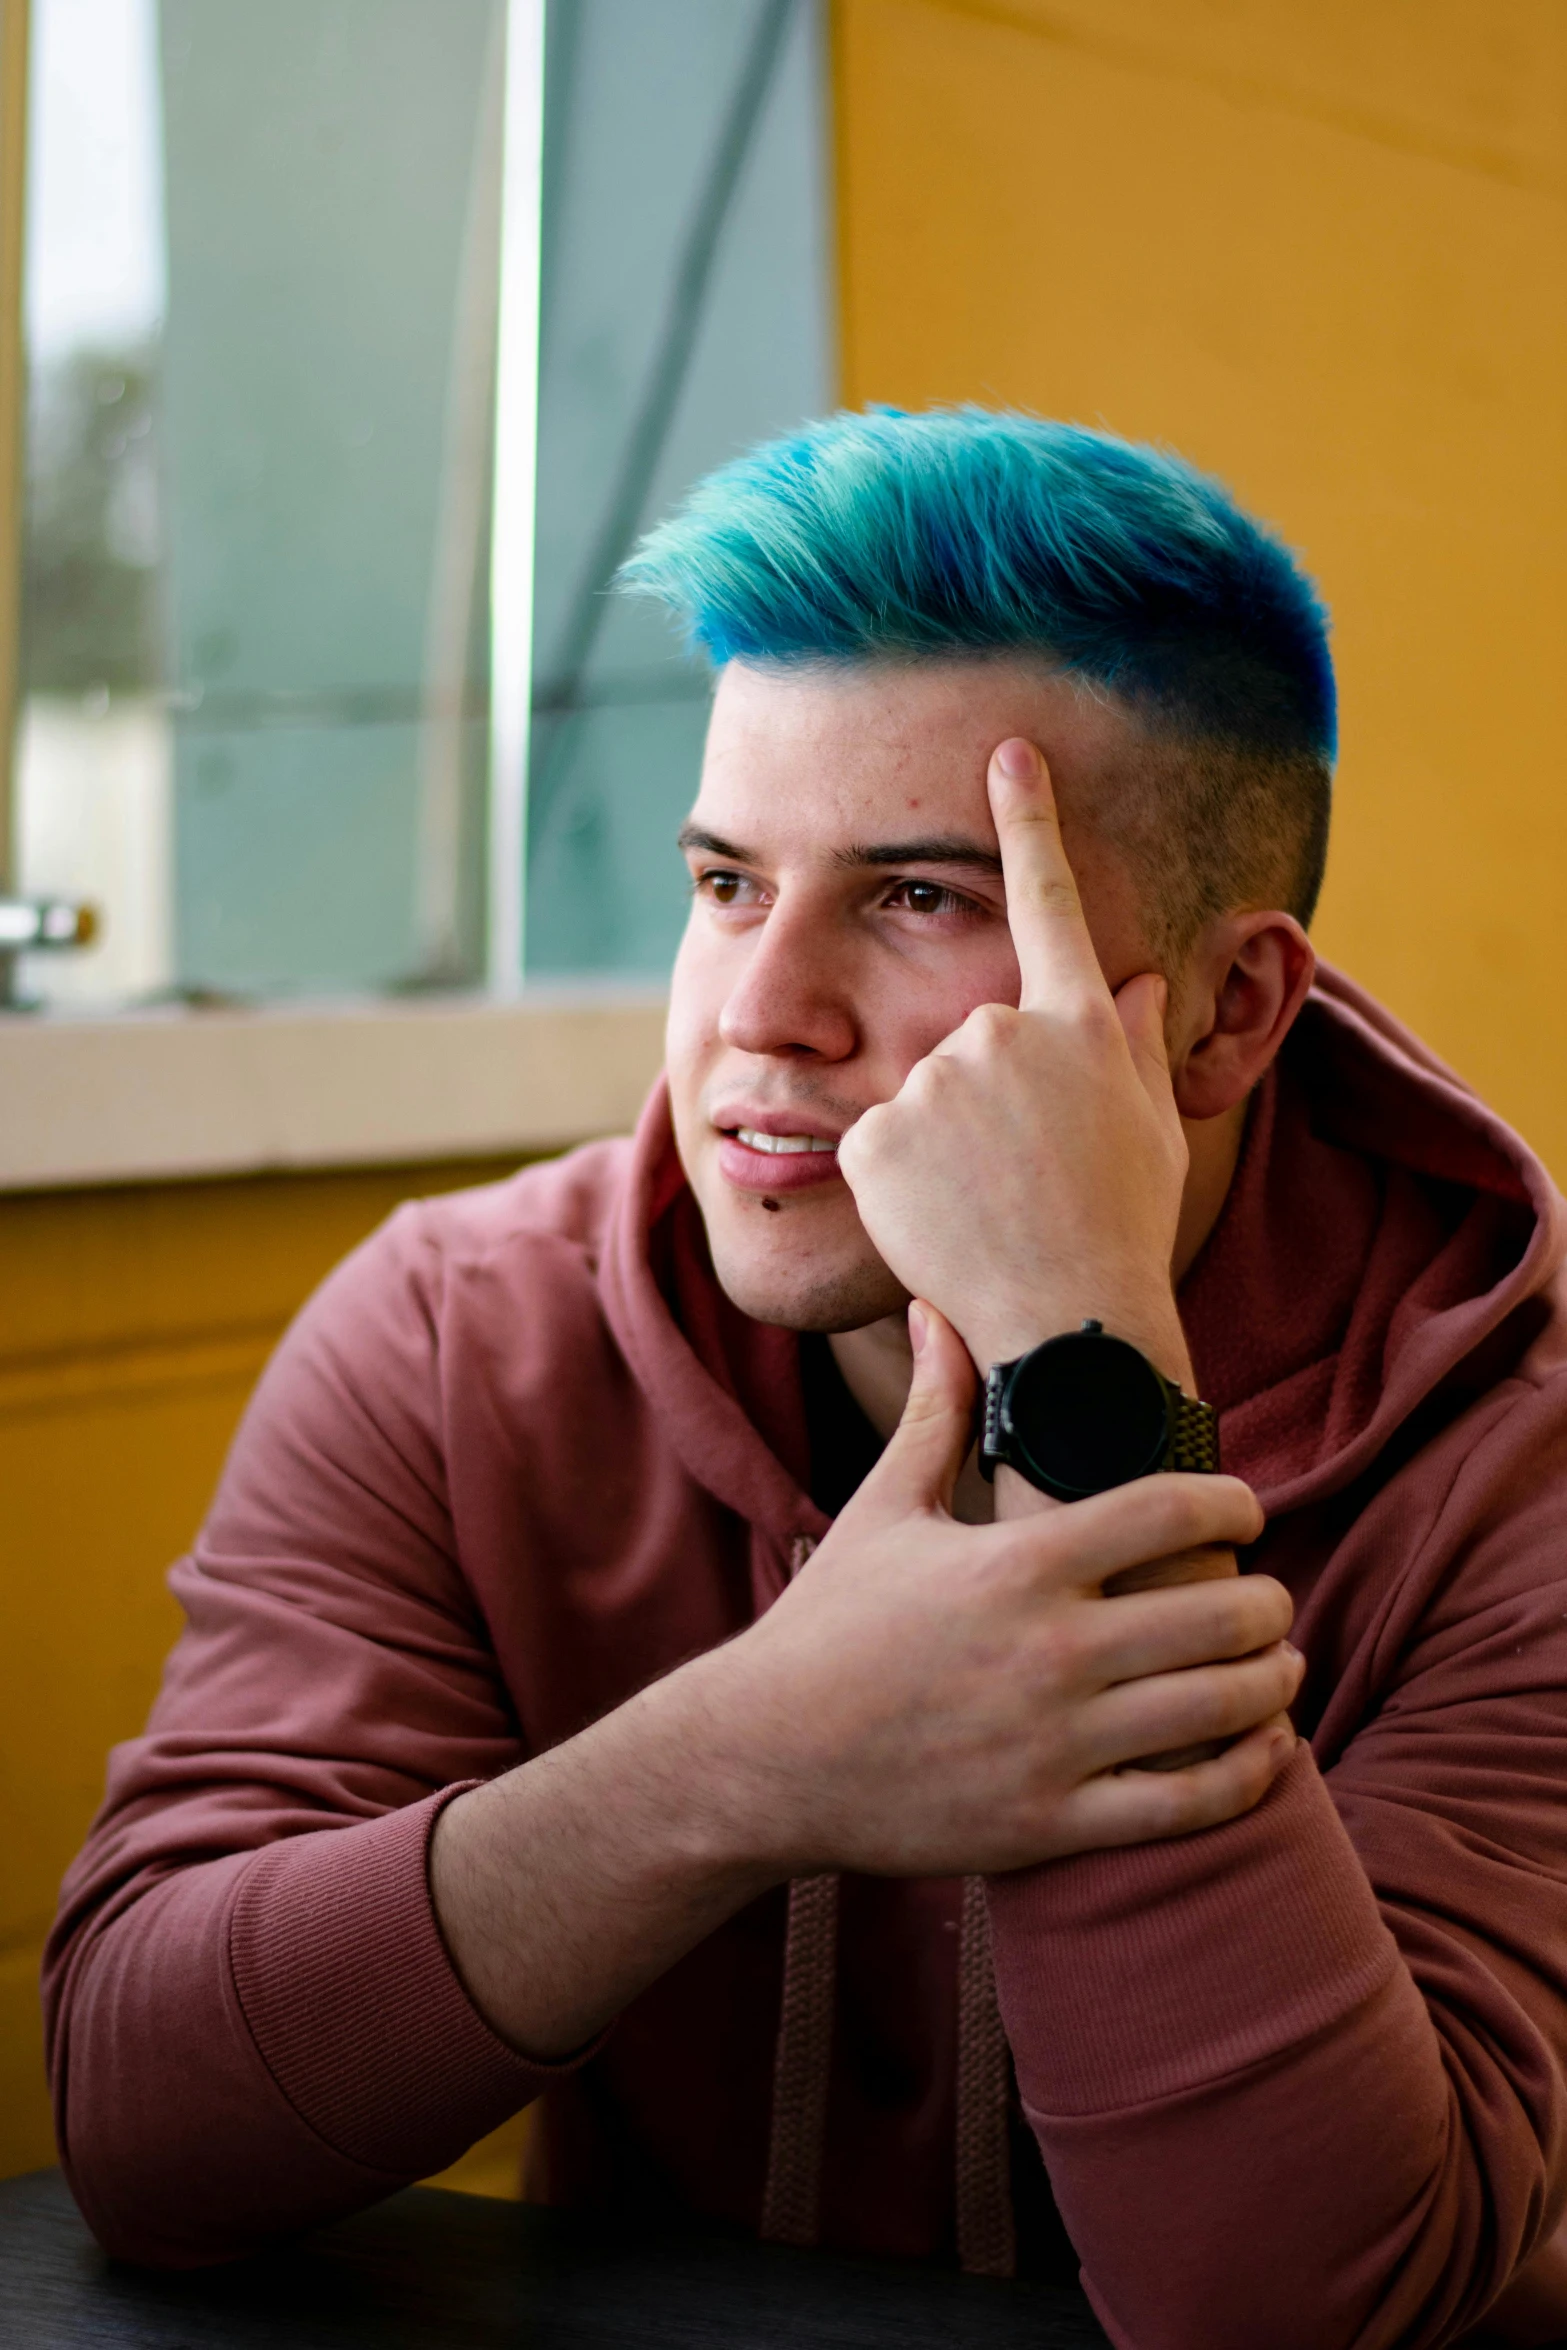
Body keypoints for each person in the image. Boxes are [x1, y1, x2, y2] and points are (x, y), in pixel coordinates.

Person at [44, 409, 1567, 2350]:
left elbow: (1292, 2305)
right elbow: (144, 2119)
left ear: (1231, 1007)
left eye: (921, 895)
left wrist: (1081, 1362)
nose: (758, 1015)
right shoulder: (455, 1335)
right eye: (725, 880)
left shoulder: (1523, 1448)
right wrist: (742, 1758)